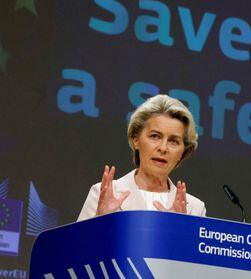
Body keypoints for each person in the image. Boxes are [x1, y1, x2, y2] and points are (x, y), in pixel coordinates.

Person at [78, 94, 206, 221]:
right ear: (136, 140)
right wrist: (99, 222)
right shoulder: (103, 194)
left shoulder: (194, 209)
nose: (163, 148)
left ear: (183, 152)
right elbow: (75, 242)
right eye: (155, 136)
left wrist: (180, 231)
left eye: (174, 141)